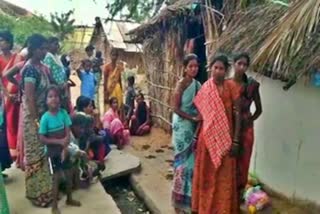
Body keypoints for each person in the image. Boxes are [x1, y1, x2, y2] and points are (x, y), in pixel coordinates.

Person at [192, 55, 241, 214]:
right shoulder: (205, 89)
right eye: (215, 68)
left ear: (226, 70)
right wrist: (195, 136)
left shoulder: (231, 87)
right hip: (206, 140)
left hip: (226, 140)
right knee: (207, 175)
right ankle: (205, 208)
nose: (218, 71)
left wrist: (236, 141)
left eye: (221, 68)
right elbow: (202, 117)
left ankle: (223, 209)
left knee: (224, 177)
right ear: (210, 69)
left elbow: (238, 114)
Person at [21, 34, 53, 207]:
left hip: (43, 116)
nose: (44, 52)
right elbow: (30, 99)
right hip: (33, 119)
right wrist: (36, 122)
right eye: (42, 48)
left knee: (43, 153)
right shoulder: (30, 70)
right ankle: (35, 193)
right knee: (35, 155)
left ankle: (45, 191)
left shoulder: (42, 67)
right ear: (33, 49)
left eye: (45, 48)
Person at [39, 85, 81, 214]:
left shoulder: (63, 113)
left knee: (69, 175)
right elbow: (42, 138)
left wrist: (64, 148)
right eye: (50, 96)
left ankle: (69, 199)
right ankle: (54, 206)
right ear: (46, 100)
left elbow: (68, 135)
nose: (54, 99)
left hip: (64, 149)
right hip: (52, 153)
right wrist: (59, 142)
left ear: (60, 98)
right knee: (56, 178)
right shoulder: (45, 118)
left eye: (56, 96)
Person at [170, 54, 201, 213]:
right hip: (181, 126)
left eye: (196, 66)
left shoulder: (198, 85)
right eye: (191, 66)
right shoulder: (181, 84)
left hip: (192, 125)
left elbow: (201, 105)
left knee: (191, 164)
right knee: (181, 163)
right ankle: (178, 202)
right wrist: (193, 117)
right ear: (185, 68)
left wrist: (198, 118)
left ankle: (188, 201)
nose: (194, 69)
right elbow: (175, 108)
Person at [231, 53, 262, 190]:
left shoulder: (251, 85)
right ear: (234, 64)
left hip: (246, 130)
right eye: (239, 64)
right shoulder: (227, 84)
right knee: (229, 162)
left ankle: (238, 193)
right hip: (229, 127)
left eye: (245, 65)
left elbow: (259, 110)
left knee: (243, 163)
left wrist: (249, 120)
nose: (242, 67)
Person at [0, 31, 24, 159]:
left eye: (2, 40)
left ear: (9, 42)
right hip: (7, 97)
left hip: (20, 95)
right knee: (9, 122)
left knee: (19, 121)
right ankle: (12, 151)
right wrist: (7, 94)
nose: (0, 43)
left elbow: (22, 75)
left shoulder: (18, 58)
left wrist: (19, 92)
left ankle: (20, 149)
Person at [75, 96, 110, 171]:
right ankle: (99, 161)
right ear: (84, 108)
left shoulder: (76, 115)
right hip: (85, 144)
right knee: (103, 136)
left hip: (81, 143)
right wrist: (97, 117)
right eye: (90, 106)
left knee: (102, 134)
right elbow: (93, 133)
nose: (92, 108)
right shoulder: (87, 118)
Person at [43, 37, 70, 112]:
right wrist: (57, 85)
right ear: (49, 45)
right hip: (55, 88)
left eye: (58, 44)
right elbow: (48, 73)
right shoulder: (48, 57)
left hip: (61, 87)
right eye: (55, 44)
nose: (57, 46)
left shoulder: (56, 57)